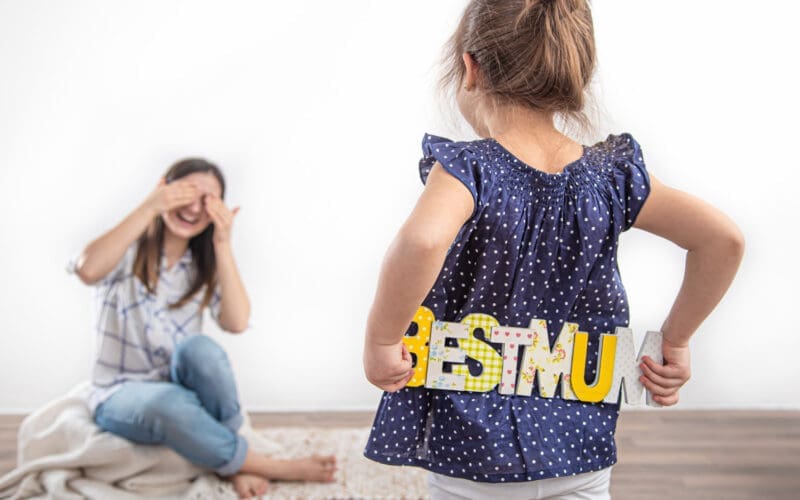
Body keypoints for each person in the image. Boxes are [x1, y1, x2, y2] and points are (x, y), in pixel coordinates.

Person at [361, 1, 745, 498]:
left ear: (470, 67)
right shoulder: (610, 177)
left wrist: (381, 340)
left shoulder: (468, 170)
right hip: (576, 447)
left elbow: (422, 240)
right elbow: (723, 240)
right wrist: (677, 340)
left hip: (474, 456)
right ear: (573, 76)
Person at [69, 158, 336, 499]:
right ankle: (257, 464)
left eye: (207, 200)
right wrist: (150, 206)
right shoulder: (127, 247)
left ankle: (232, 458)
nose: (194, 208)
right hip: (119, 394)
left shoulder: (201, 263)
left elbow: (236, 322)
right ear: (165, 189)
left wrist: (223, 243)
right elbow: (87, 269)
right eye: (187, 194)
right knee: (167, 402)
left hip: (179, 387)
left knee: (202, 351)